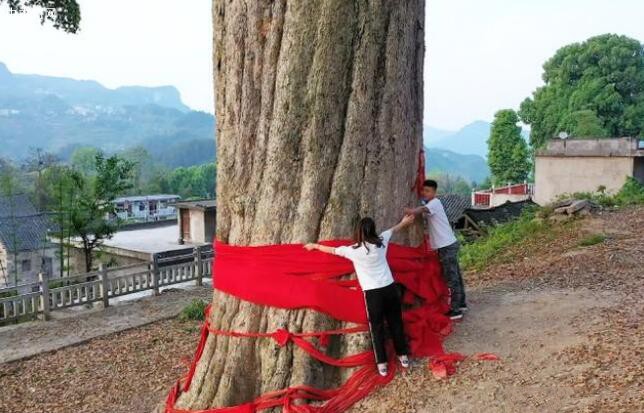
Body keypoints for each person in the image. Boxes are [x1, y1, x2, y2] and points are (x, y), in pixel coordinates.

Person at [304, 215, 415, 377]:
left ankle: (382, 364)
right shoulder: (382, 241)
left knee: (376, 328)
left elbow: (332, 250)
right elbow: (393, 229)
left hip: (373, 293)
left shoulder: (353, 251)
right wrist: (405, 222)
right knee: (396, 322)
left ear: (358, 232)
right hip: (390, 289)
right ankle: (403, 356)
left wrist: (314, 245)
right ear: (373, 230)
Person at [405, 179, 467, 320]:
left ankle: (456, 309)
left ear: (434, 192)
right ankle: (461, 303)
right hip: (448, 244)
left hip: (446, 246)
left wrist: (410, 211)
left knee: (451, 278)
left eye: (428, 191)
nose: (425, 193)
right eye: (423, 190)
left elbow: (422, 210)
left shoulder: (435, 203)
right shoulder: (431, 204)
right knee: (455, 275)